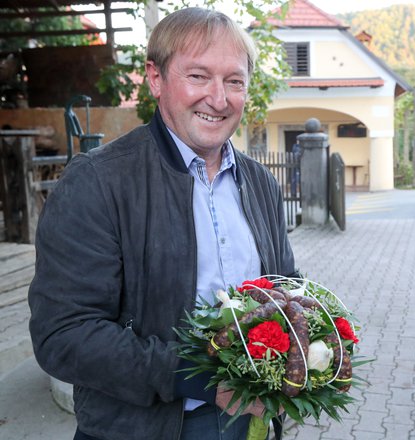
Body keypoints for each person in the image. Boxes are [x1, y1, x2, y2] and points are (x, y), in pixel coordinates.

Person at [28, 8, 297, 440]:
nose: (219, 98)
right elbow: (63, 334)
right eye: (198, 76)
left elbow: (286, 284)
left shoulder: (261, 182)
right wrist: (203, 376)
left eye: (234, 81)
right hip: (145, 426)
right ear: (155, 78)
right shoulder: (98, 182)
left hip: (253, 420)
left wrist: (312, 340)